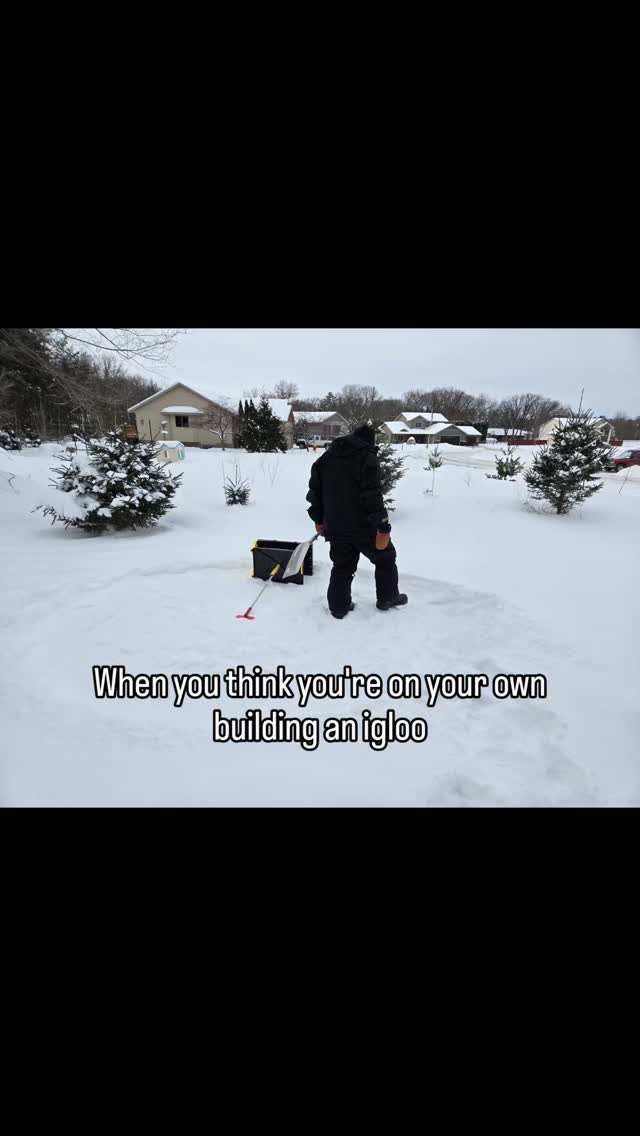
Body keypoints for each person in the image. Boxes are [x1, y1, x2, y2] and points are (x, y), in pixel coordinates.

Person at [306, 423, 408, 620]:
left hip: (335, 526)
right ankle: (388, 597)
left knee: (342, 566)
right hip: (364, 526)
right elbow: (372, 495)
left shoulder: (325, 459)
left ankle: (338, 607)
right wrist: (382, 525)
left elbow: (315, 493)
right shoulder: (367, 458)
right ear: (369, 441)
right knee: (385, 557)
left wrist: (318, 519)